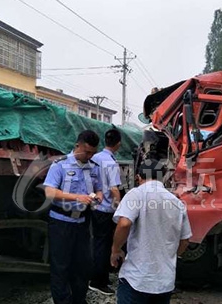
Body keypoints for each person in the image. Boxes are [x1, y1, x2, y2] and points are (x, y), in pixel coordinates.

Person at [110, 159, 192, 304]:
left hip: (137, 279)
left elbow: (124, 224)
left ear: (139, 177)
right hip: (164, 282)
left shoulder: (137, 194)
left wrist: (115, 250)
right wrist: (169, 256)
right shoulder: (177, 203)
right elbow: (185, 240)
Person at [44, 130, 103, 304]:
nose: (90, 156)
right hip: (61, 222)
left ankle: (79, 300)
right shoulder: (59, 165)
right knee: (61, 267)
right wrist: (77, 197)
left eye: (93, 153)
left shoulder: (93, 167)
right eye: (87, 152)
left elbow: (99, 187)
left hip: (83, 223)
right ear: (77, 146)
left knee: (82, 266)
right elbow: (49, 192)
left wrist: (98, 196)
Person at [89, 128, 122, 296]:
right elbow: (114, 189)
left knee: (97, 243)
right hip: (106, 209)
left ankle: (100, 276)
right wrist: (121, 206)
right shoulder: (110, 162)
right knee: (104, 245)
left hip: (95, 206)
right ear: (118, 144)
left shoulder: (95, 157)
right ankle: (98, 281)